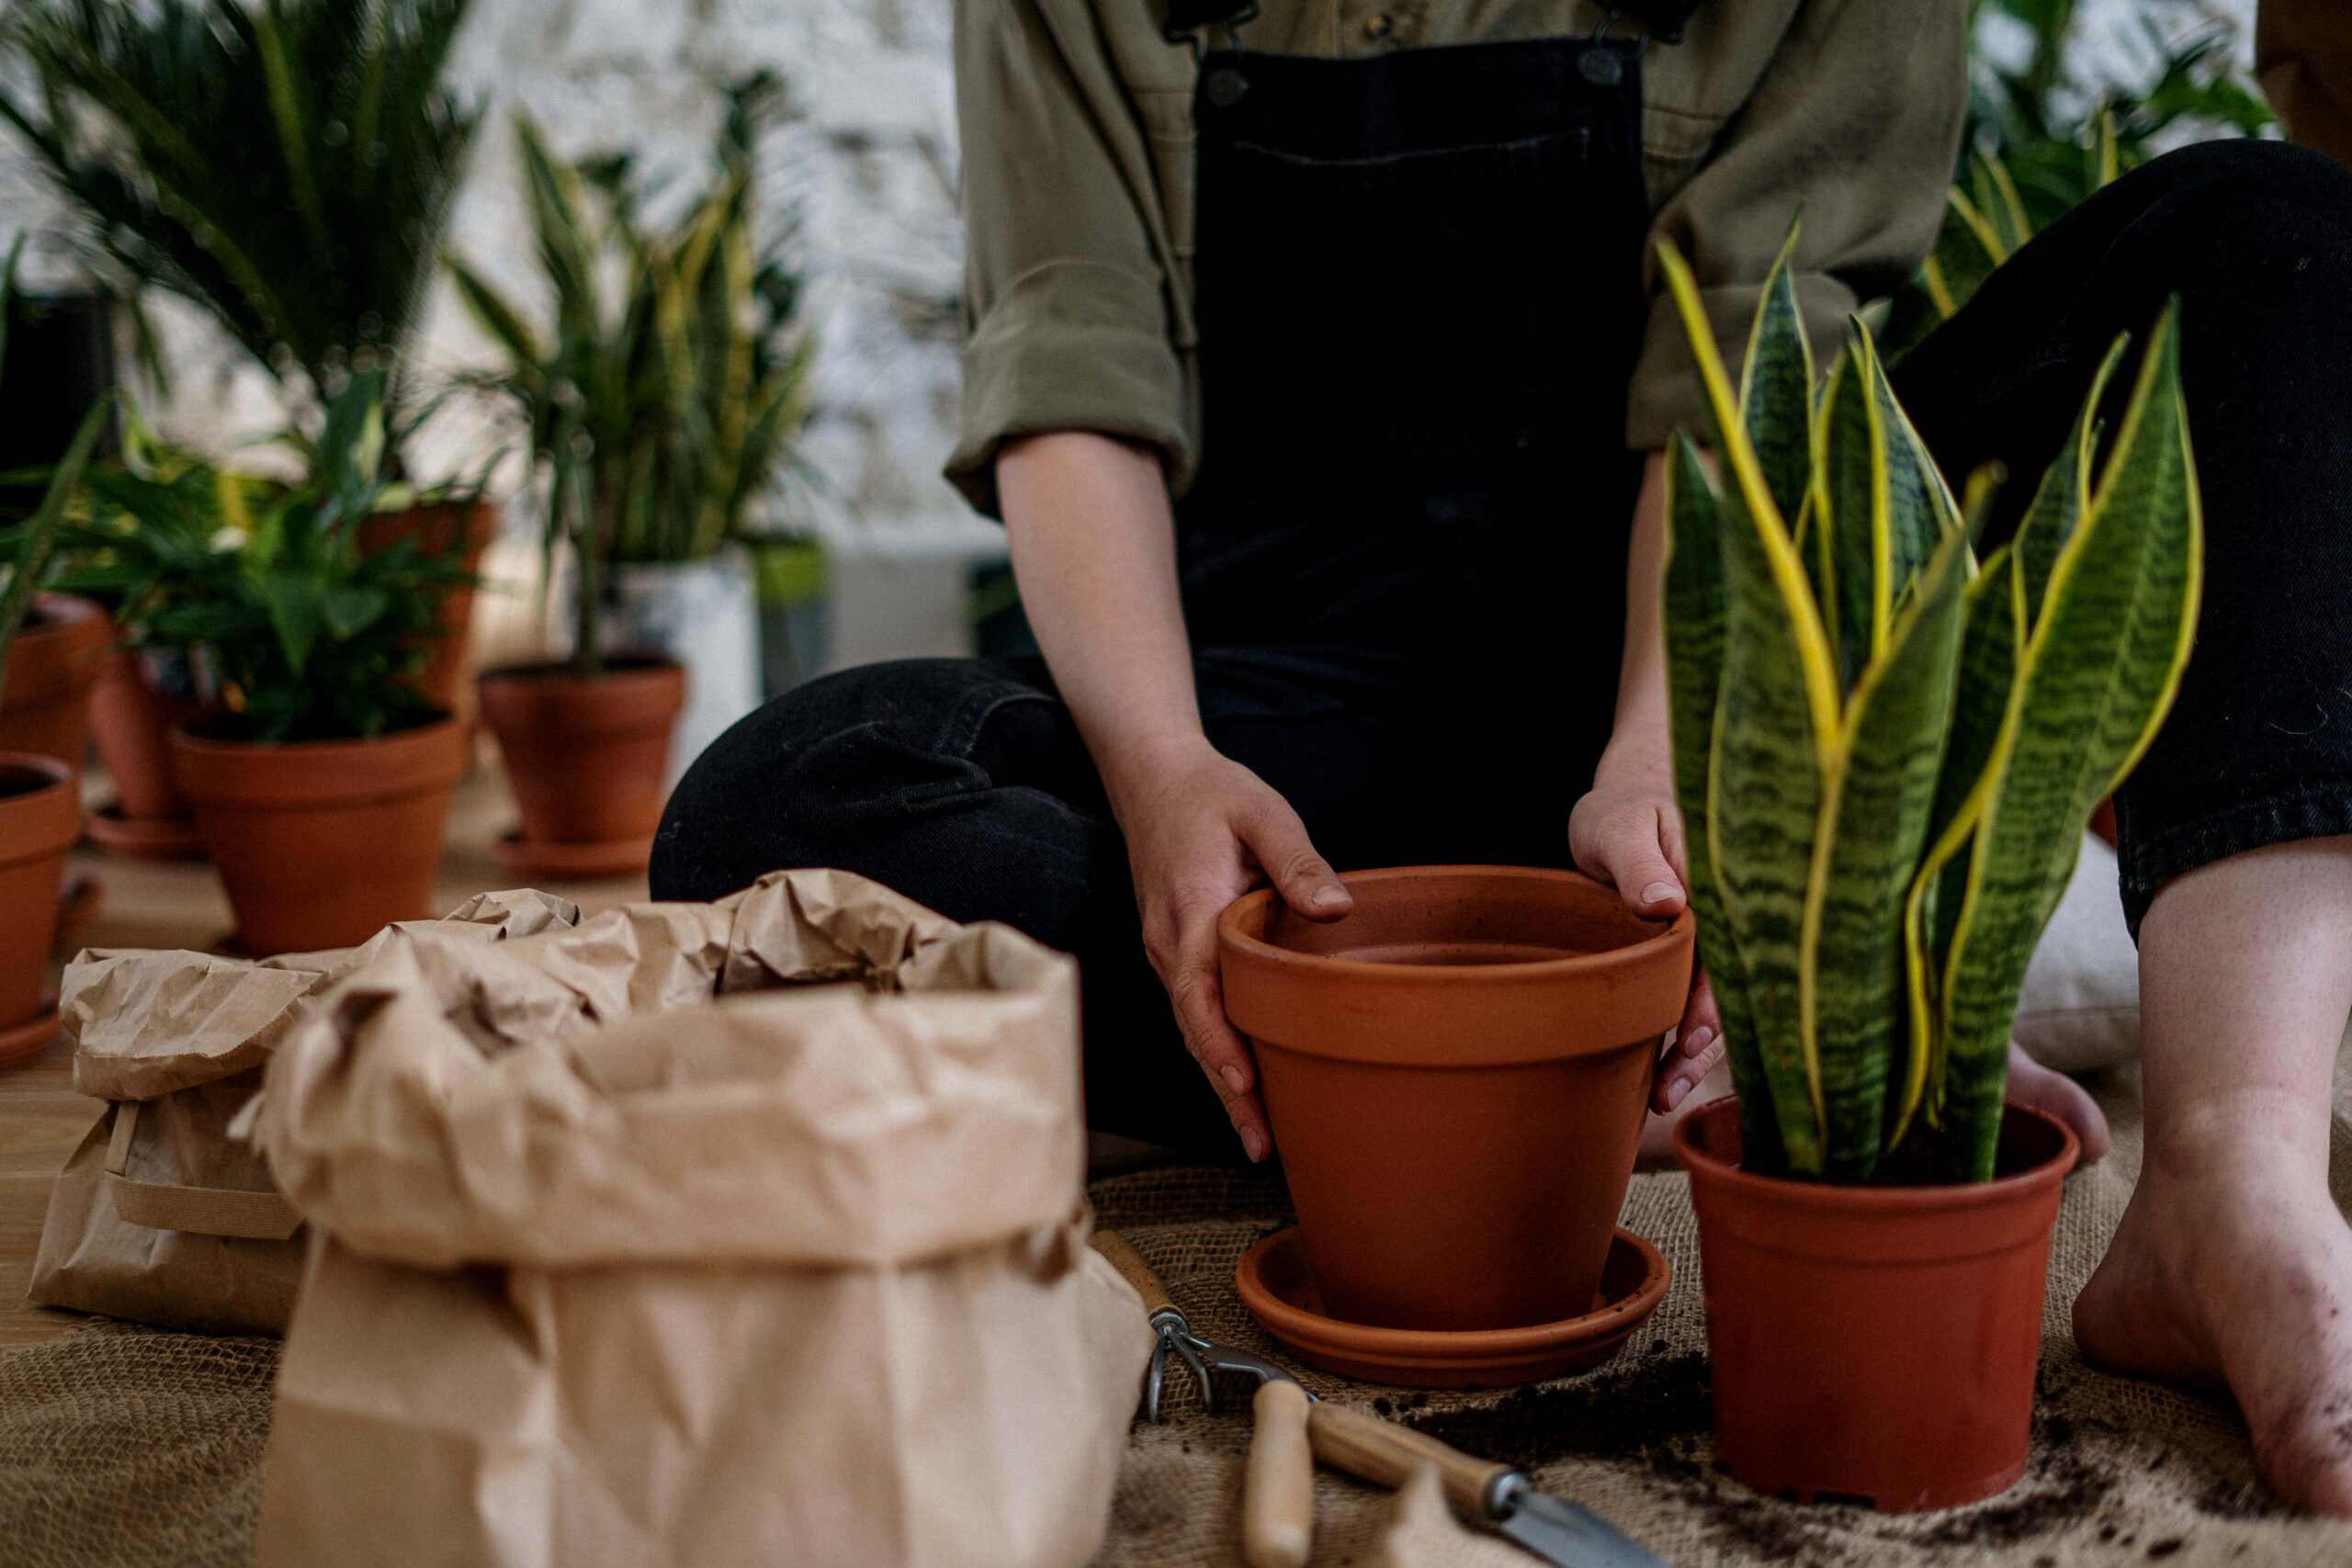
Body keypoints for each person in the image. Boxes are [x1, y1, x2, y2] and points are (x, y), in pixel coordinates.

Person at [652, 0, 2352, 1514]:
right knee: (777, 808)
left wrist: (1664, 763)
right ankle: (1586, 1064)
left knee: (2268, 234)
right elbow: (1071, 359)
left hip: (1710, 666)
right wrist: (1167, 772)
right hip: (1277, 745)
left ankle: (2227, 1179)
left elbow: (1758, 365)